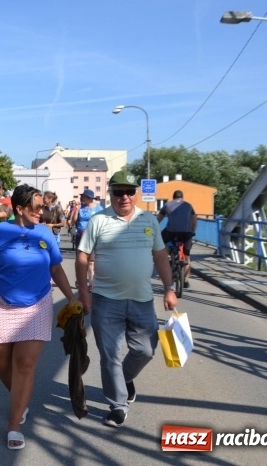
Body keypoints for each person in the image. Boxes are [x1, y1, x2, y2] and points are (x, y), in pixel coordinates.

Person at [0, 184, 75, 450]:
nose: (42, 212)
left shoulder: (44, 233)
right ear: (19, 208)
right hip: (1, 303)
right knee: (2, 361)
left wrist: (72, 298)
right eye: (37, 207)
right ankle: (20, 398)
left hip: (37, 305)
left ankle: (14, 423)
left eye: (43, 206)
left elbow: (56, 268)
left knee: (25, 365)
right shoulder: (0, 232)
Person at [75, 170, 177, 429]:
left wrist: (169, 287)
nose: (125, 197)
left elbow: (161, 256)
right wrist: (84, 292)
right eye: (119, 192)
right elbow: (83, 256)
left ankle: (125, 378)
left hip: (142, 300)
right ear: (110, 193)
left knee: (145, 350)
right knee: (110, 355)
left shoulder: (149, 220)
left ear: (136, 193)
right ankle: (118, 406)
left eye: (130, 192)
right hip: (106, 300)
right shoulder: (98, 220)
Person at [157, 190, 197, 288]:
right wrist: (192, 232)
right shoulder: (188, 205)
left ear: (173, 197)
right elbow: (194, 220)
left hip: (172, 232)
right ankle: (186, 279)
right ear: (182, 197)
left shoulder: (167, 205)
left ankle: (167, 257)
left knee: (163, 240)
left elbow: (158, 219)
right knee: (187, 256)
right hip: (186, 233)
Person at [70, 189, 103, 281]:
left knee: (91, 261)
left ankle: (91, 281)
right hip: (80, 236)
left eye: (83, 196)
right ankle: (79, 279)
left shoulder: (98, 209)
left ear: (89, 198)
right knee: (80, 260)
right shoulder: (81, 208)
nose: (81, 198)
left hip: (93, 237)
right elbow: (73, 221)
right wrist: (76, 210)